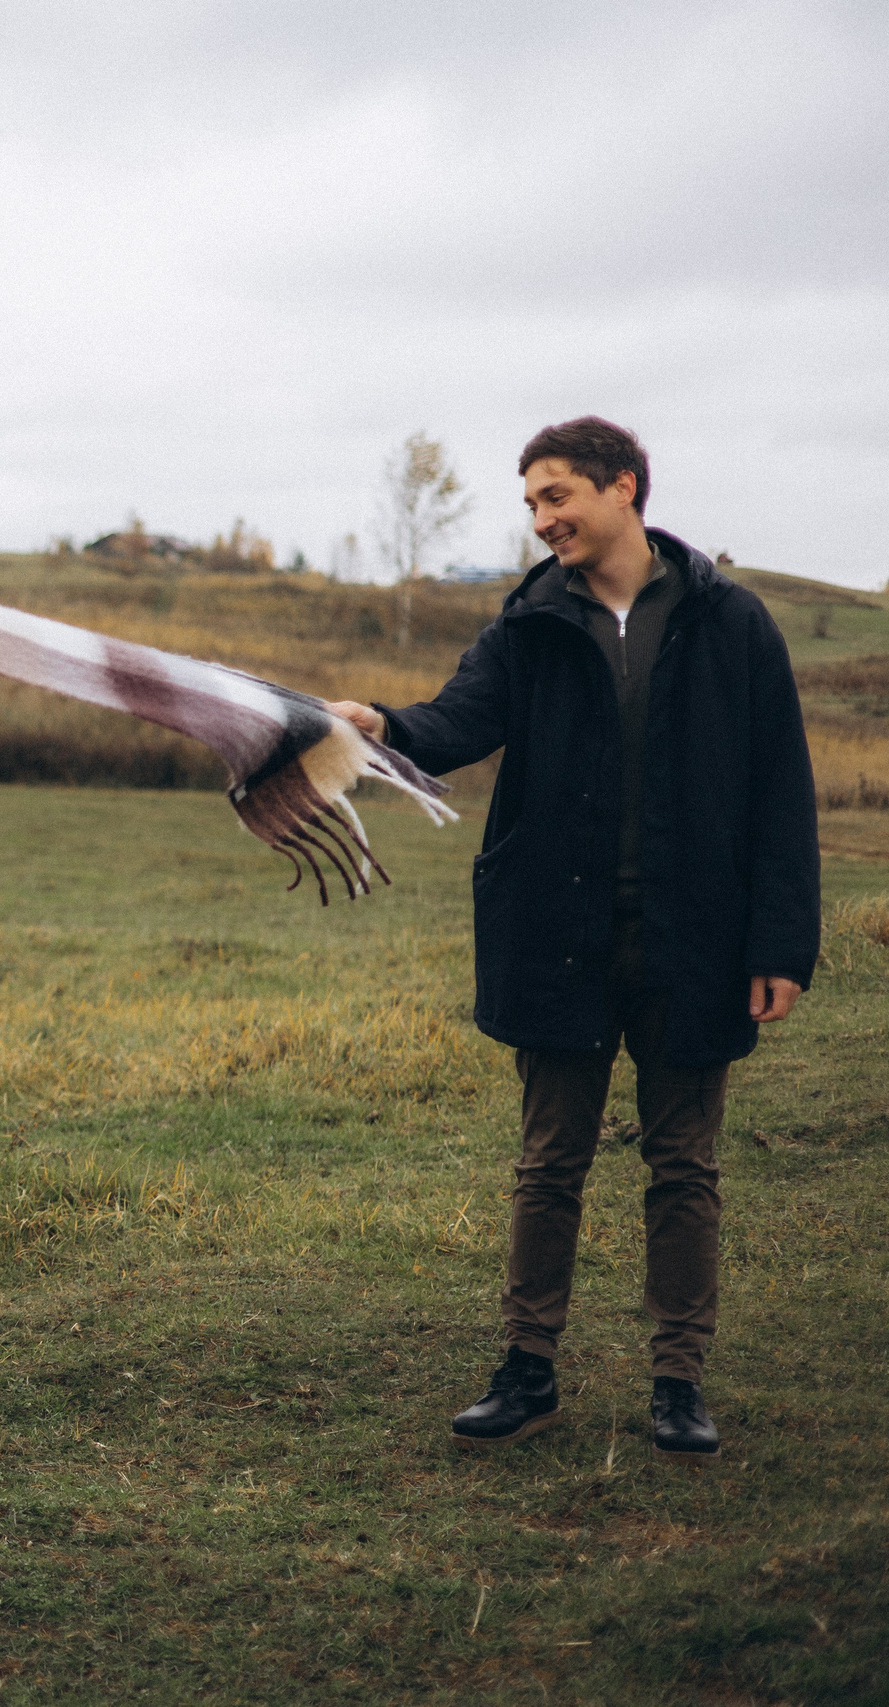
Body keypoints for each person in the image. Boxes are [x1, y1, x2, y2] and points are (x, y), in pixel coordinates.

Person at [327, 417, 818, 1464]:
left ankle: (678, 1382)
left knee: (682, 1164)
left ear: (622, 487)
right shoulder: (529, 624)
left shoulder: (731, 623)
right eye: (532, 506)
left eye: (556, 497)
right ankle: (525, 1371)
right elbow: (455, 722)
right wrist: (381, 723)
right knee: (549, 1162)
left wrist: (778, 943)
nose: (543, 520)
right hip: (556, 931)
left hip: (694, 937)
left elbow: (780, 788)